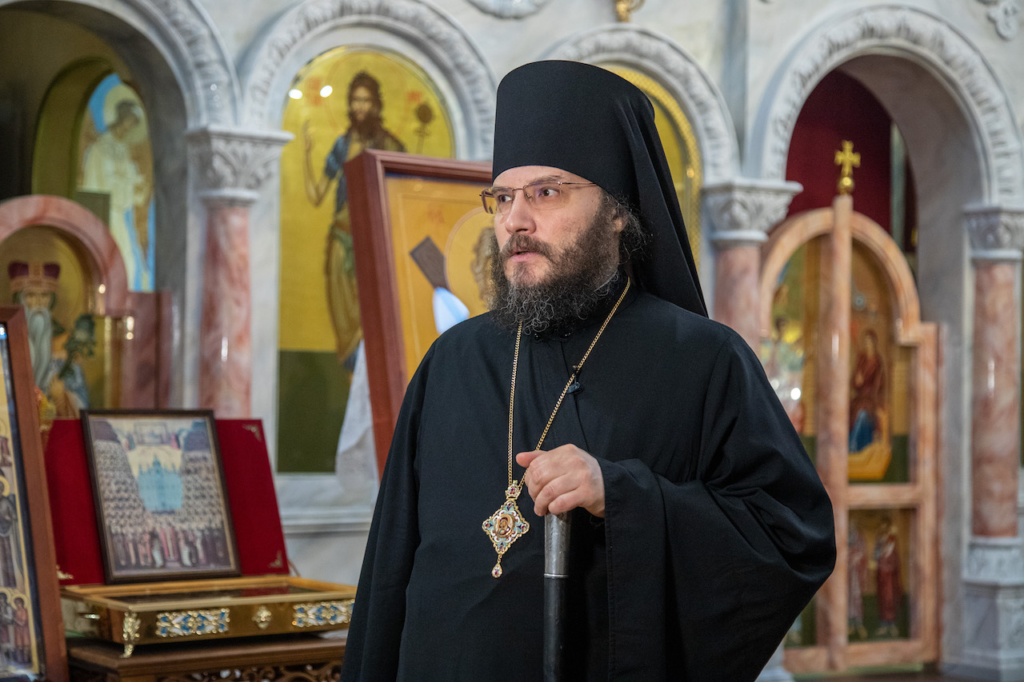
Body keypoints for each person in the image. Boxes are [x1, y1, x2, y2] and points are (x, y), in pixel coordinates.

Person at [340, 61, 835, 681]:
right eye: (503, 198)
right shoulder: (451, 361)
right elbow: (389, 572)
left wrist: (621, 495)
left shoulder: (703, 360)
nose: (515, 221)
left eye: (546, 193)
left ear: (619, 211)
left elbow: (791, 539)